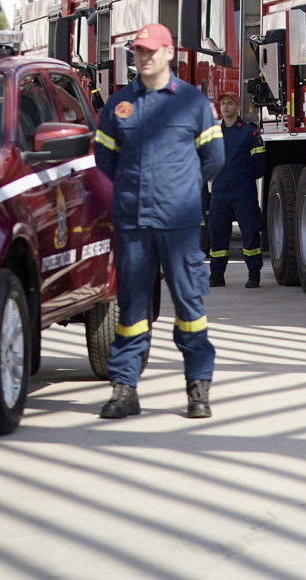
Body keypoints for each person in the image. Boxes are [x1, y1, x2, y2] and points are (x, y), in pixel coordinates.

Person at [94, 23, 224, 420]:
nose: (144, 57)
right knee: (132, 307)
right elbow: (105, 159)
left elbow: (215, 158)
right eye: (138, 51)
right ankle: (124, 388)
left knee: (189, 305)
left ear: (170, 53)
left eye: (151, 51)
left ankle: (198, 388)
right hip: (133, 222)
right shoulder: (119, 106)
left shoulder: (193, 103)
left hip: (179, 223)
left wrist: (182, 188)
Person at [205, 92, 266, 289]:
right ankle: (216, 275)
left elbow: (260, 165)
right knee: (218, 235)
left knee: (250, 233)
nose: (225, 107)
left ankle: (254, 274)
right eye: (222, 104)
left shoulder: (249, 133)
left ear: (238, 107)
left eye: (229, 103)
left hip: (243, 192)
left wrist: (245, 179)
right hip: (220, 192)